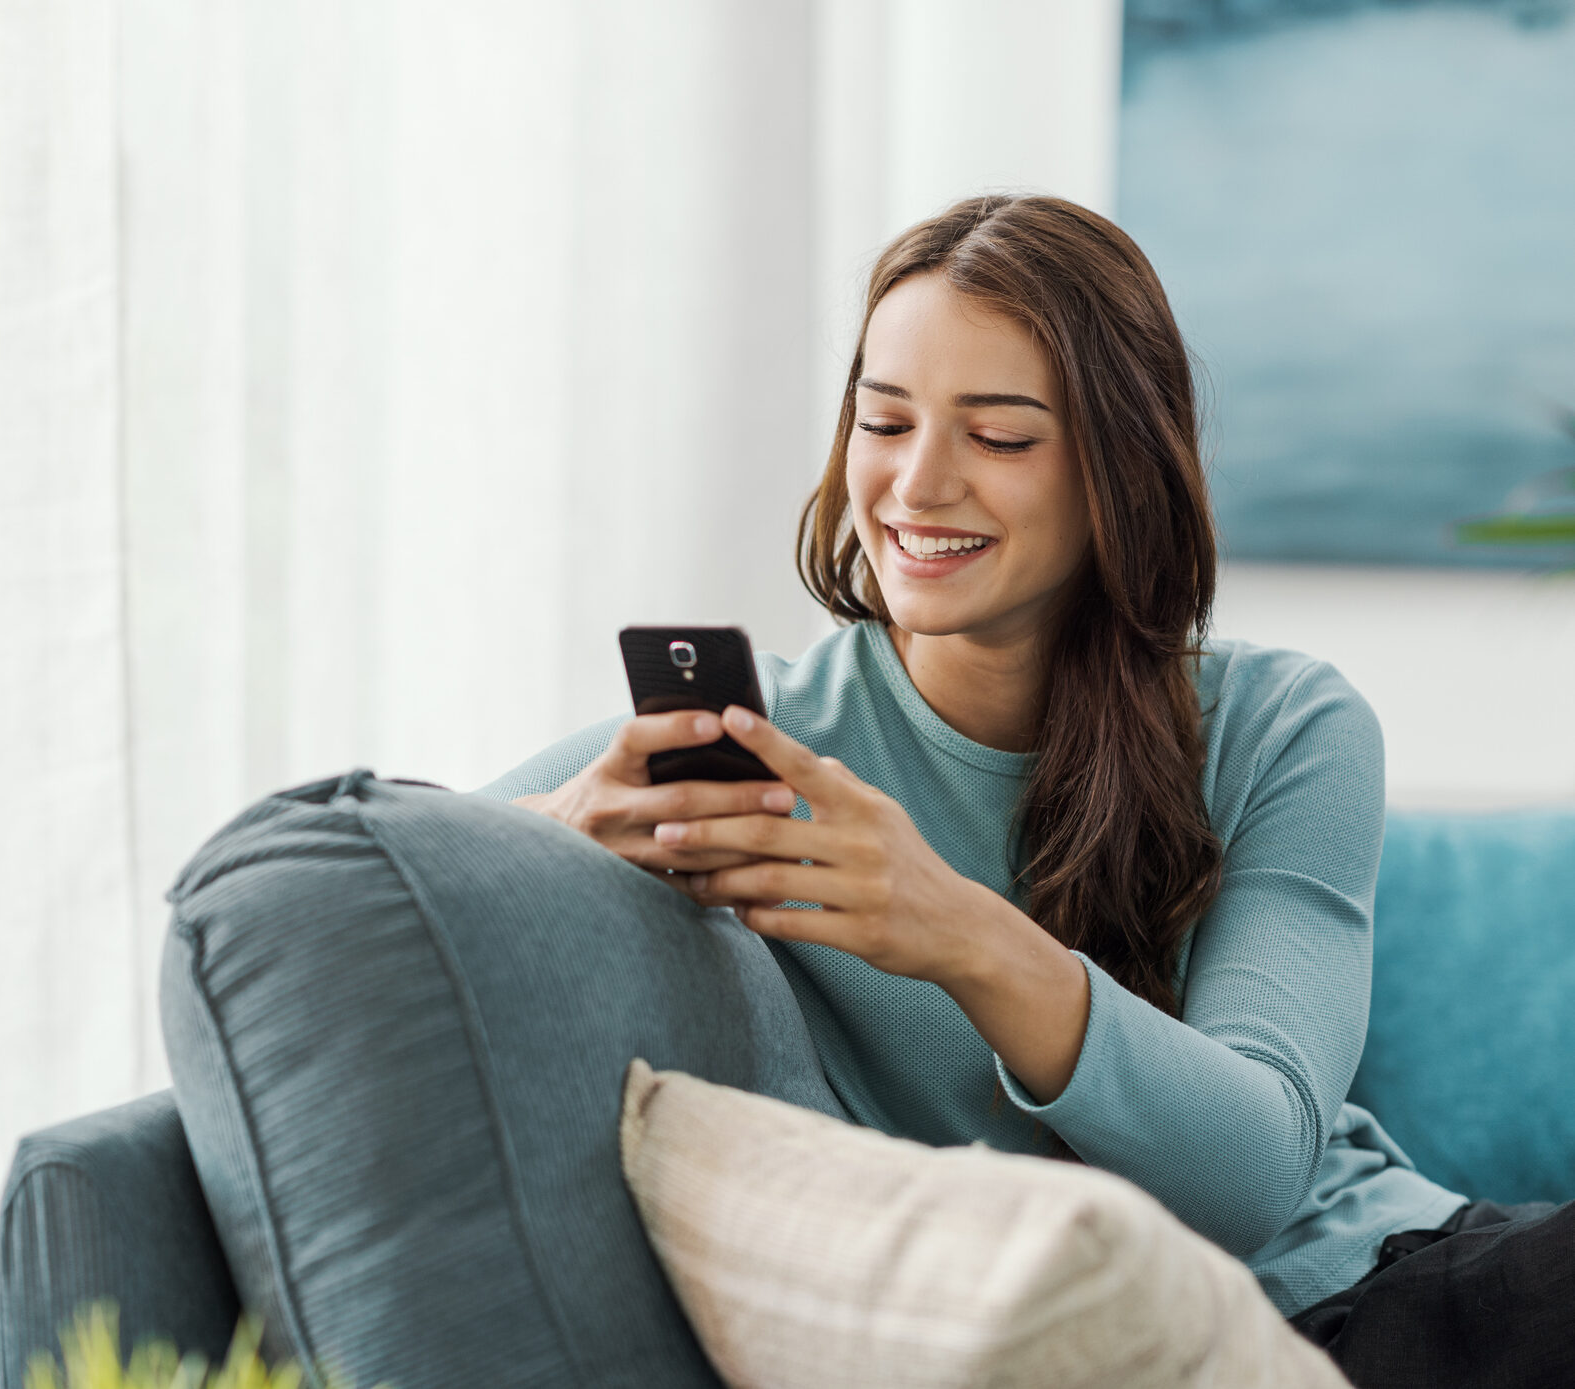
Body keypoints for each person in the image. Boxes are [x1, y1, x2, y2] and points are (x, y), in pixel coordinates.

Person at [476, 194, 1572, 1388]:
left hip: (1387, 1287)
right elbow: (365, 869)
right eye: (884, 422)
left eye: (998, 438)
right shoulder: (766, 744)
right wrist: (560, 831)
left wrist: (953, 929)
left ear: (1121, 469)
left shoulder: (1286, 725)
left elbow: (1255, 1173)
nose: (917, 484)